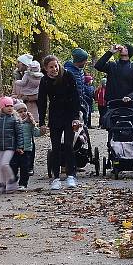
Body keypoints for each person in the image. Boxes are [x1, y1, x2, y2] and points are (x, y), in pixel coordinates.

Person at [37, 55, 81, 190]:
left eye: (56, 66)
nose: (54, 69)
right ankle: (56, 177)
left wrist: (76, 117)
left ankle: (71, 175)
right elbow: (42, 102)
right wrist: (42, 122)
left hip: (69, 115)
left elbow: (75, 97)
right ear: (46, 69)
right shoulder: (44, 81)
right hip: (55, 116)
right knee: (55, 147)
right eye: (51, 67)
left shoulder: (68, 76)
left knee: (68, 145)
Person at [0, 96, 23, 194]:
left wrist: (20, 146)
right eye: (7, 106)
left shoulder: (15, 119)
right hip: (0, 146)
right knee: (0, 167)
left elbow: (19, 134)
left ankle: (12, 179)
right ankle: (2, 185)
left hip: (10, 146)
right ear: (2, 107)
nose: (10, 108)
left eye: (11, 106)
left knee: (5, 163)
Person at [9, 102, 41, 190]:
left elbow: (36, 133)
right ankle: (13, 180)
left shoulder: (29, 124)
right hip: (15, 150)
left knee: (25, 168)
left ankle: (23, 184)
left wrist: (41, 130)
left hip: (27, 149)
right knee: (13, 166)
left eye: (24, 111)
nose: (23, 113)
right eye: (20, 111)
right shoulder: (13, 124)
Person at [64, 48, 89, 119]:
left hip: (80, 103)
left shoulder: (80, 71)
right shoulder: (68, 71)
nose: (86, 62)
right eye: (85, 60)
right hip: (70, 105)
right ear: (79, 60)